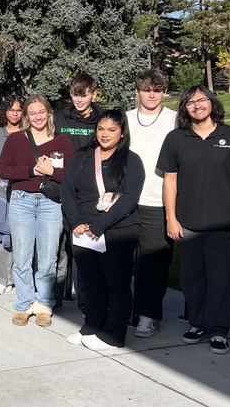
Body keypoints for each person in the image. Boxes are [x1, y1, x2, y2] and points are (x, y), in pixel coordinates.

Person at [159, 86, 230, 355]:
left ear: (212, 102)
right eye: (190, 102)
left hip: (224, 224)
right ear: (184, 108)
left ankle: (219, 330)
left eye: (201, 99)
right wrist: (171, 218)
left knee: (220, 279)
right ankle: (197, 323)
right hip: (187, 223)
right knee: (192, 279)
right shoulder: (176, 139)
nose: (196, 105)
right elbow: (170, 180)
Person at [61, 109, 144, 350]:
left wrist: (100, 225)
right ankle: (92, 326)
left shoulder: (131, 160)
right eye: (100, 129)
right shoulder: (82, 156)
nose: (104, 134)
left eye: (111, 130)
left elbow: (130, 198)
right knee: (92, 282)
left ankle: (114, 335)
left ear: (122, 133)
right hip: (82, 231)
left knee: (116, 284)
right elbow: (67, 189)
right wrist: (76, 221)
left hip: (117, 230)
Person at [0, 95, 74, 327]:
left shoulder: (62, 141)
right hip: (22, 201)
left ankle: (44, 303)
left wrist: (51, 170)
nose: (38, 116)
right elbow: (4, 170)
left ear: (48, 113)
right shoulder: (16, 140)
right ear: (26, 116)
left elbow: (71, 175)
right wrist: (33, 170)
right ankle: (23, 303)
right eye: (32, 113)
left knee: (48, 258)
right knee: (22, 257)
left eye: (41, 112)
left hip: (50, 203)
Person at [127, 69, 178, 337]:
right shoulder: (124, 120)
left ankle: (148, 315)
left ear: (164, 92)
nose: (151, 94)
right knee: (122, 260)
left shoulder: (175, 120)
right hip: (125, 201)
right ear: (137, 91)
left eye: (157, 89)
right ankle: (126, 310)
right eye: (146, 89)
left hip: (157, 202)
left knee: (153, 264)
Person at [52, 72, 103, 310]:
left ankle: (86, 302)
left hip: (89, 191)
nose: (79, 100)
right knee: (59, 248)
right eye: (75, 94)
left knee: (84, 249)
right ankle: (55, 298)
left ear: (93, 94)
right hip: (60, 185)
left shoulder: (102, 118)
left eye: (84, 95)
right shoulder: (60, 117)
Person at [0, 96, 23, 295]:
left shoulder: (28, 134)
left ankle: (16, 278)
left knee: (19, 236)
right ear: (5, 112)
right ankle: (1, 278)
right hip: (0, 191)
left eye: (18, 110)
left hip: (22, 191)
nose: (15, 113)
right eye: (11, 110)